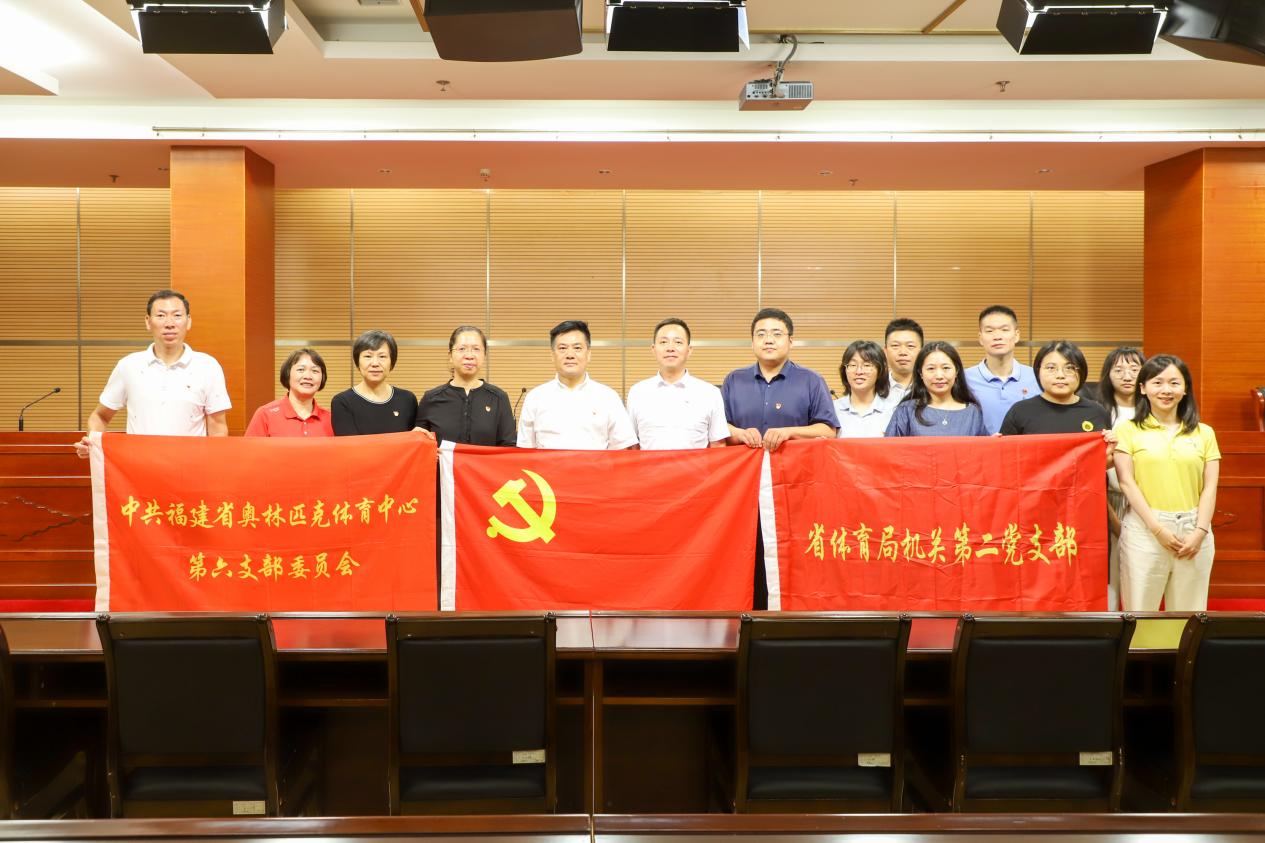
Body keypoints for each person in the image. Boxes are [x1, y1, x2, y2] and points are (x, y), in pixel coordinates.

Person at [1114, 354, 1220, 612]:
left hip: (1194, 530)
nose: (1166, 390)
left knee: (1189, 615)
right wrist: (1157, 529)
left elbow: (1210, 487)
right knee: (1140, 613)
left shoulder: (1204, 433)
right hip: (1144, 530)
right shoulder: (1127, 430)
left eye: (1174, 383)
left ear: (1185, 389)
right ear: (1143, 388)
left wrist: (1200, 531)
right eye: (1157, 382)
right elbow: (1126, 482)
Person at [76, 289, 230, 456]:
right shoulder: (129, 365)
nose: (169, 323)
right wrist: (92, 443)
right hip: (139, 466)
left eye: (177, 315)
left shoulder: (207, 366)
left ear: (188, 321)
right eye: (161, 316)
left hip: (189, 466)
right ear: (148, 322)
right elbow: (100, 416)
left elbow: (218, 429)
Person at [722, 307, 837, 452]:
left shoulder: (812, 380)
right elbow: (717, 426)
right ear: (752, 342)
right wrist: (740, 434)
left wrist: (789, 432)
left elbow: (828, 430)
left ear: (791, 341)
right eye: (761, 334)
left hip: (796, 465)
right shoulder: (734, 380)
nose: (768, 340)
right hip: (746, 465)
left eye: (777, 334)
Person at [517, 320, 637, 450]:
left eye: (577, 348)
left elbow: (622, 448)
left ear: (588, 354)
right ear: (552, 355)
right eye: (562, 348)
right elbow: (526, 451)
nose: (570, 355)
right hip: (547, 465)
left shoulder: (608, 397)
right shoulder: (535, 398)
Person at [626, 318, 728, 450]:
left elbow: (718, 445)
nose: (670, 348)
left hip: (697, 465)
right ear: (653, 349)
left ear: (689, 350)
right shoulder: (637, 392)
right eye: (663, 342)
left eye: (678, 342)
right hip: (649, 465)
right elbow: (631, 446)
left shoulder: (710, 393)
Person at [1098, 346, 1145, 610]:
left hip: (1145, 503)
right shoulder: (1100, 413)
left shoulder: (1152, 413)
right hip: (1108, 500)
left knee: (1139, 576)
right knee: (1110, 577)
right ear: (1107, 375)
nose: (1127, 376)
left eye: (1134, 369)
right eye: (1119, 370)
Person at [416, 326, 515, 446]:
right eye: (462, 349)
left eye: (476, 349)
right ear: (450, 356)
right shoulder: (431, 398)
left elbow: (508, 446)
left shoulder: (499, 398)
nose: (469, 355)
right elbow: (419, 444)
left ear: (484, 355)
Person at [999, 340, 1111, 435]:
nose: (1060, 375)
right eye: (1051, 368)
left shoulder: (1097, 412)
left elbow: (1103, 453)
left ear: (1082, 372)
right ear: (1038, 371)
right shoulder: (1020, 411)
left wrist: (1110, 450)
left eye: (1069, 368)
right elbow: (1005, 452)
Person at [963, 305, 1040, 435]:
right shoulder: (964, 379)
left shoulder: (1037, 377)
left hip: (1026, 447)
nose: (997, 336)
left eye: (1004, 330)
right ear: (980, 338)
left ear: (1016, 335)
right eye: (989, 331)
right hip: (980, 448)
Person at [885, 341, 988, 437]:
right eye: (931, 369)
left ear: (956, 371)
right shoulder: (906, 410)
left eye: (946, 368)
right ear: (921, 373)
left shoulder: (973, 412)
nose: (939, 376)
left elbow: (983, 448)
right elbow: (890, 448)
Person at [331, 330, 417, 436]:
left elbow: (414, 440)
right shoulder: (342, 402)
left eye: (382, 356)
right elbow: (348, 444)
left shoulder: (407, 399)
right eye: (368, 356)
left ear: (392, 362)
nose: (375, 363)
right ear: (357, 362)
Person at [244, 348, 334, 438]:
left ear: (322, 378)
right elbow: (250, 447)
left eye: (315, 371)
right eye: (301, 369)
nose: (308, 376)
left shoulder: (332, 418)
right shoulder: (265, 414)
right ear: (287, 374)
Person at [833, 340, 895, 438]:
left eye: (867, 365)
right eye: (852, 365)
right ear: (845, 370)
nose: (859, 371)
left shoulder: (893, 411)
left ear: (880, 370)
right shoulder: (832, 410)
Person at [883, 318, 923, 403]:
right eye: (895, 345)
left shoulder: (931, 387)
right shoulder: (875, 387)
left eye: (910, 346)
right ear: (885, 351)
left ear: (922, 351)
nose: (903, 352)